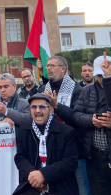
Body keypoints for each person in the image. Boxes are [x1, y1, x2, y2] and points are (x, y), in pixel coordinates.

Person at [38, 56, 87, 194]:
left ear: (63, 68)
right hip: (51, 148)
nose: (48, 68)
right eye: (47, 66)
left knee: (82, 189)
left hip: (75, 149)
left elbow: (77, 118)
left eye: (52, 65)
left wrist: (56, 106)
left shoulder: (77, 90)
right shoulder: (43, 89)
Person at [13, 93, 78, 195]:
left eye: (42, 107)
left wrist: (44, 175)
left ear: (50, 109)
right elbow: (20, 157)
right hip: (31, 184)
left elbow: (70, 162)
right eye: (34, 107)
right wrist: (33, 175)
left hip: (60, 185)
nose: (37, 111)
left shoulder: (66, 131)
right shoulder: (24, 130)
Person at [73, 54, 111, 194]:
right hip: (95, 155)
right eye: (100, 75)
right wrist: (91, 120)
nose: (102, 79)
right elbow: (76, 114)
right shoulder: (86, 91)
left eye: (105, 75)